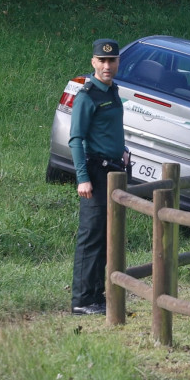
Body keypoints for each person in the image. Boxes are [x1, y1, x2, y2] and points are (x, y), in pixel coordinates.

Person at [69, 39, 126, 316]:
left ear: (117, 63)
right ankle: (81, 300)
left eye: (111, 60)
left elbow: (108, 130)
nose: (107, 65)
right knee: (91, 237)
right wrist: (82, 178)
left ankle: (96, 296)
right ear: (93, 62)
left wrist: (123, 150)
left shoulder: (113, 91)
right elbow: (76, 139)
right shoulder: (87, 96)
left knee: (106, 237)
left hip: (113, 171)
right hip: (95, 173)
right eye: (101, 61)